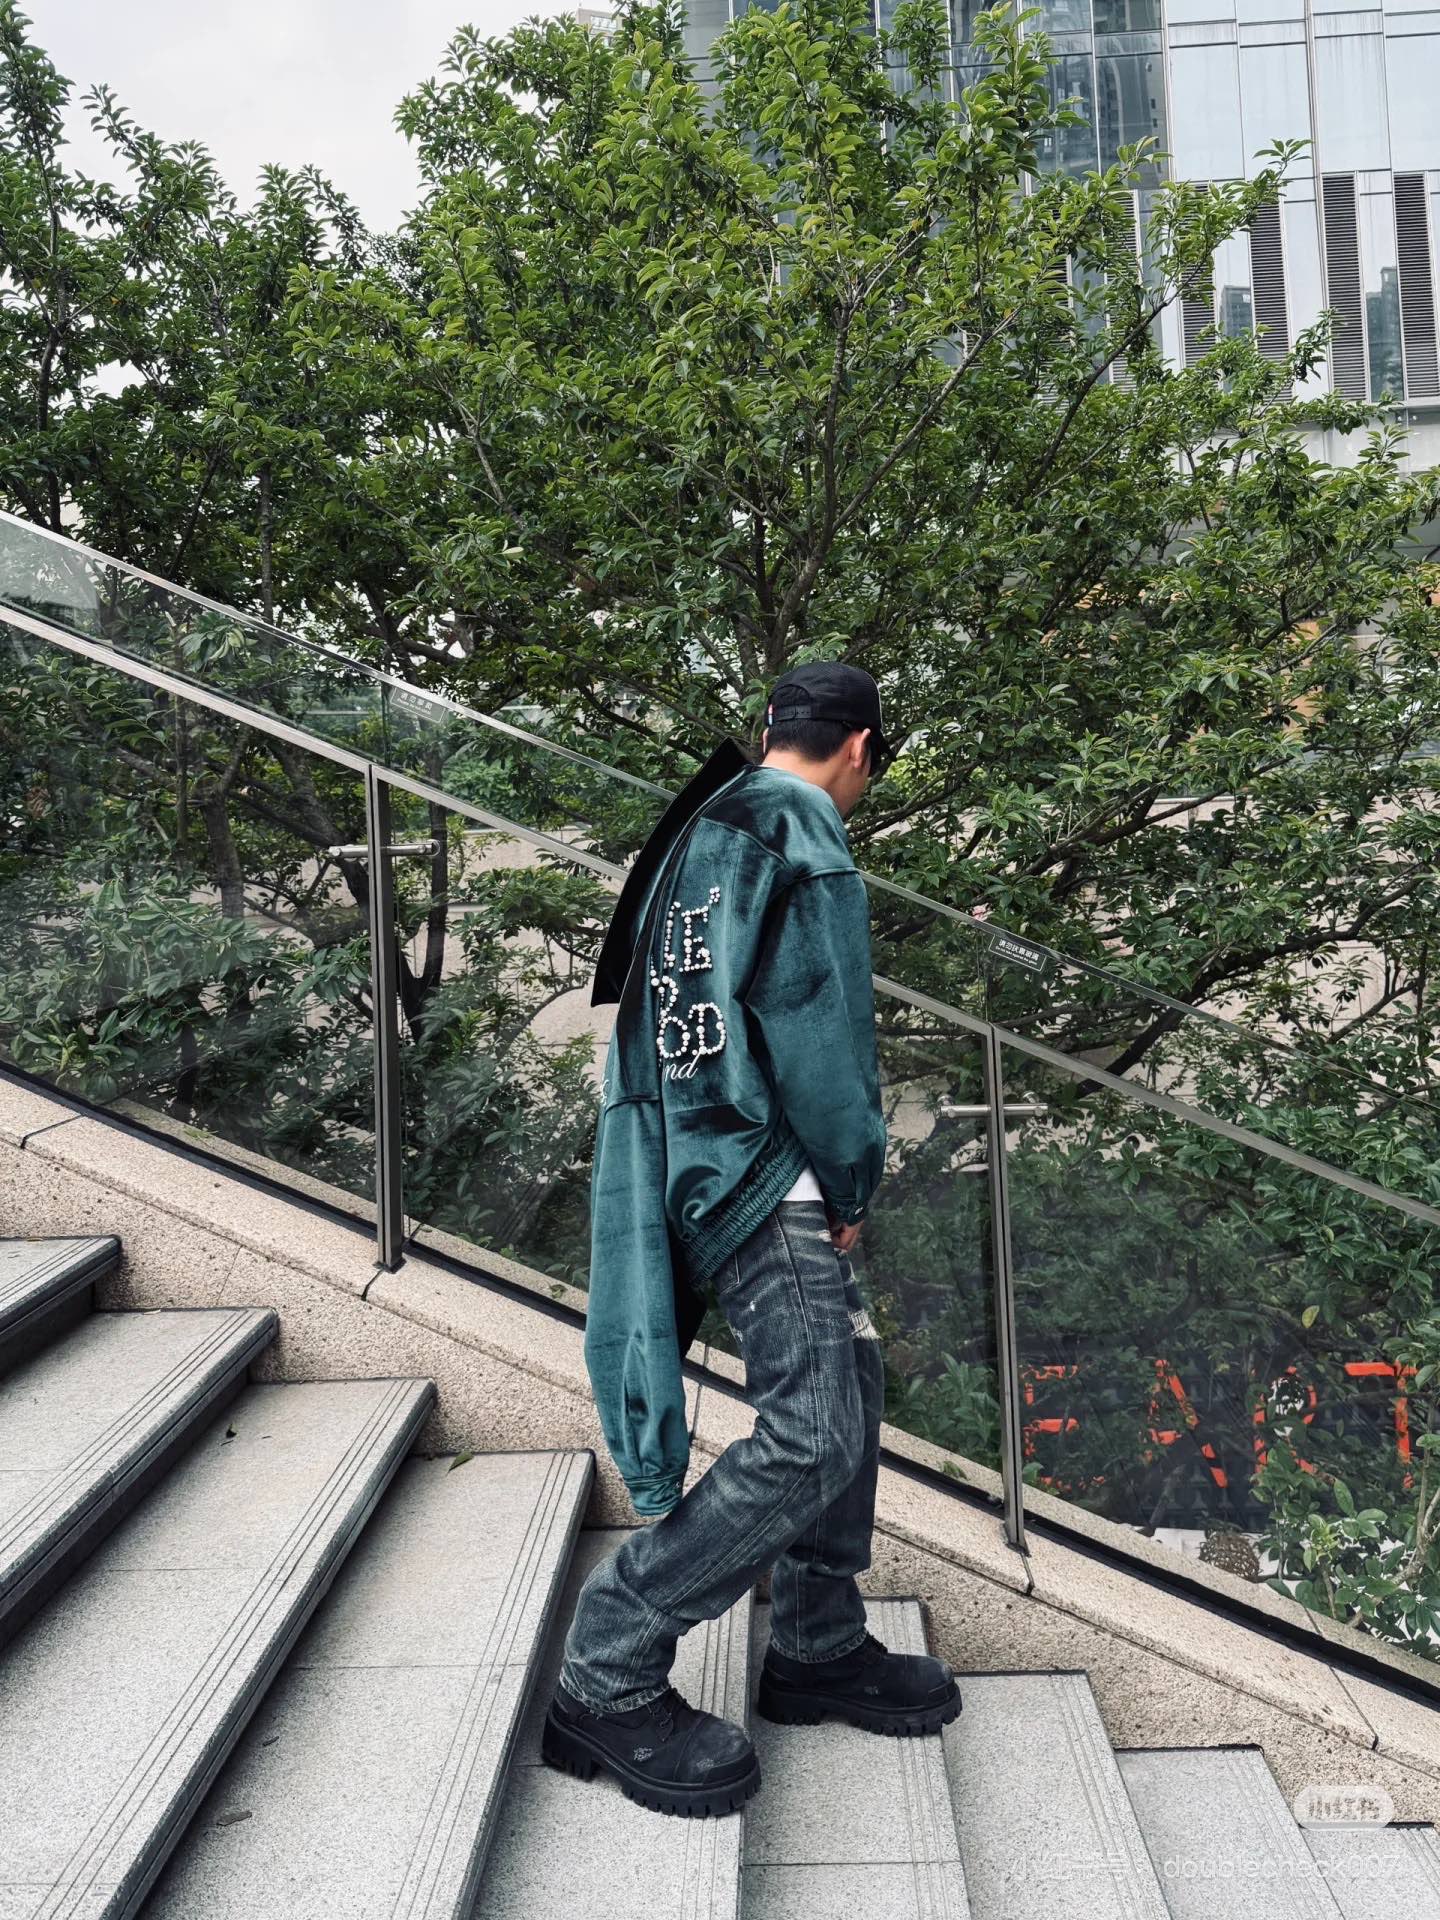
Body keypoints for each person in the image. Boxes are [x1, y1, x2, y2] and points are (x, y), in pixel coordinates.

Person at [541, 662, 961, 1818]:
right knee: (817, 1429)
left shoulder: (709, 822)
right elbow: (824, 1034)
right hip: (762, 1171)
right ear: (860, 748)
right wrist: (853, 1174)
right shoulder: (801, 828)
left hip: (694, 1150)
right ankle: (607, 1665)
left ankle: (817, 1644)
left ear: (776, 728)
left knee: (849, 1386)